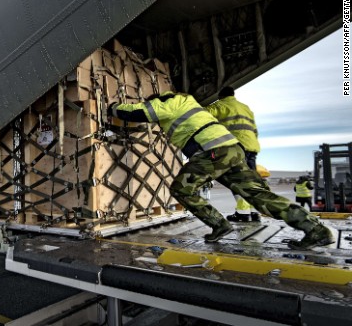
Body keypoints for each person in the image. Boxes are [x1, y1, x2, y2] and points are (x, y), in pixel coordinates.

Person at [107, 91, 334, 250]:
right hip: (232, 151)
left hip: (212, 152)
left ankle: (219, 224)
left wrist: (113, 108)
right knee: (259, 196)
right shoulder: (191, 105)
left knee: (181, 189)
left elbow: (139, 112)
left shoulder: (170, 102)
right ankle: (316, 230)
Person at [206, 86, 260, 223]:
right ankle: (254, 212)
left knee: (236, 180)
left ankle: (243, 213)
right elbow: (254, 129)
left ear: (220, 96)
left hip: (235, 147)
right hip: (251, 146)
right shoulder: (245, 107)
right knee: (251, 180)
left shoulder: (219, 105)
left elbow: (201, 117)